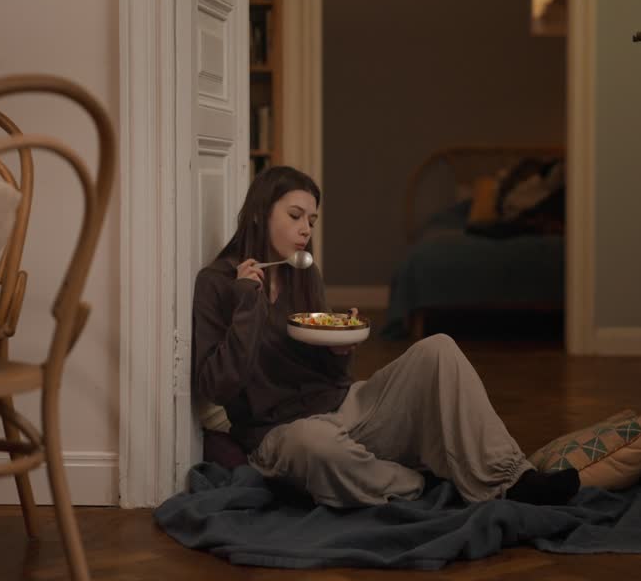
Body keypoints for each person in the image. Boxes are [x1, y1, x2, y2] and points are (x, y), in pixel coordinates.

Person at [192, 166, 580, 508]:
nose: (306, 229)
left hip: (346, 406)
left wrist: (341, 347)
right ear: (259, 215)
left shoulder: (303, 272)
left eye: (312, 218)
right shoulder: (218, 285)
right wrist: (246, 304)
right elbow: (217, 386)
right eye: (295, 216)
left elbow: (327, 371)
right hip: (282, 433)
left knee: (438, 349)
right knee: (317, 447)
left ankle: (513, 479)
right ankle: (417, 481)